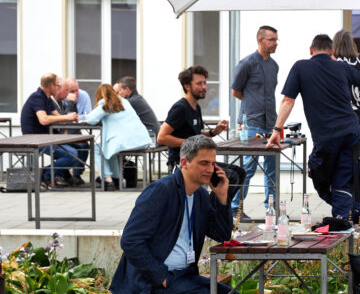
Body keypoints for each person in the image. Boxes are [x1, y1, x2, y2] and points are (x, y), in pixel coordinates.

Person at [111, 135, 253, 294]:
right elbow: (130, 241)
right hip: (156, 282)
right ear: (184, 162)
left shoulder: (201, 195)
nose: (210, 169)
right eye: (204, 163)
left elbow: (221, 234)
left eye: (212, 163)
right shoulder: (161, 191)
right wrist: (161, 277)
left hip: (185, 275)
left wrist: (221, 196)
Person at [267, 34, 360, 225]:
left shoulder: (301, 67)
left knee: (318, 175)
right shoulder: (341, 66)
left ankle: (345, 217)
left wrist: (276, 130)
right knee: (342, 180)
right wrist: (336, 62)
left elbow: (288, 100)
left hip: (327, 136)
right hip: (350, 131)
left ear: (311, 50)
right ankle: (350, 216)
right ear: (331, 51)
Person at [157, 66, 242, 202]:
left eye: (204, 83)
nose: (203, 87)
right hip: (183, 163)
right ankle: (212, 210)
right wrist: (190, 145)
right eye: (199, 83)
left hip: (199, 159)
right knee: (231, 175)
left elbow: (195, 135)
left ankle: (216, 209)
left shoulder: (196, 107)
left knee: (239, 172)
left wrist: (213, 132)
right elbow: (161, 137)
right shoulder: (180, 108)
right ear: (187, 86)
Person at [231, 25, 280, 220]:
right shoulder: (247, 64)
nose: (275, 43)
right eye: (272, 40)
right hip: (252, 124)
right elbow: (236, 91)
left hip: (271, 124)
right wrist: (248, 111)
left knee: (272, 169)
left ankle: (271, 208)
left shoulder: (274, 66)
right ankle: (235, 208)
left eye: (276, 40)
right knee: (248, 168)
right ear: (261, 40)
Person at [333, 29, 360, 212]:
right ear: (353, 45)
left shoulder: (333, 66)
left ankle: (345, 208)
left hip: (340, 119)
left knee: (341, 164)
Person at [85, 84, 151, 191]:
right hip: (140, 140)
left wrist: (83, 116)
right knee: (109, 149)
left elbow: (91, 120)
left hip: (124, 142)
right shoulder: (124, 102)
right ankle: (117, 179)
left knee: (97, 148)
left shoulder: (105, 104)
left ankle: (107, 180)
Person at [19, 73, 79, 185]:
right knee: (72, 154)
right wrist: (66, 117)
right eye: (58, 86)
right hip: (34, 139)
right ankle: (45, 175)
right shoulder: (37, 97)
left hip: (45, 138)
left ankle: (43, 174)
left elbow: (58, 118)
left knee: (75, 152)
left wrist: (71, 117)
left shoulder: (48, 99)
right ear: (51, 86)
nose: (59, 89)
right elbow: (44, 120)